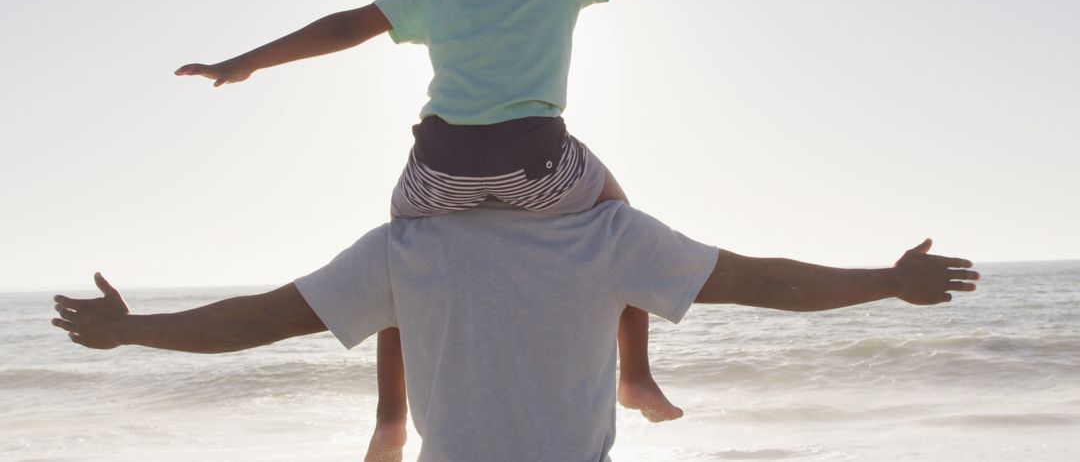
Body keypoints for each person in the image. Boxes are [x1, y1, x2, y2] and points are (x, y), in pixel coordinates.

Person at [172, 0, 832, 454]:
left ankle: (389, 421)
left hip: (437, 170)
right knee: (621, 219)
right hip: (539, 165)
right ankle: (635, 373)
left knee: (402, 266)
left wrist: (246, 61)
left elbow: (346, 27)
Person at [51, 202, 979, 462]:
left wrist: (887, 284)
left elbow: (755, 281)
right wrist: (134, 332)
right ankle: (636, 378)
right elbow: (260, 319)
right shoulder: (403, 248)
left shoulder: (607, 232)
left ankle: (635, 378)